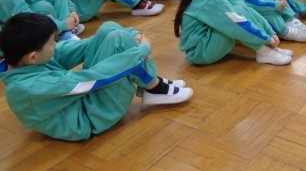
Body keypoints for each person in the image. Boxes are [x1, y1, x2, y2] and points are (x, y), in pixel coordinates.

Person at [0, 13, 192, 141]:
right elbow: (92, 79)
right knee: (123, 52)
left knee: (110, 30)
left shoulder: (26, 61)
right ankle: (154, 86)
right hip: (89, 119)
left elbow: (87, 44)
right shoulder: (30, 86)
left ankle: (150, 84)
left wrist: (133, 34)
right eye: (53, 42)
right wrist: (140, 50)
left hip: (80, 100)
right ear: (33, 56)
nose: (56, 44)